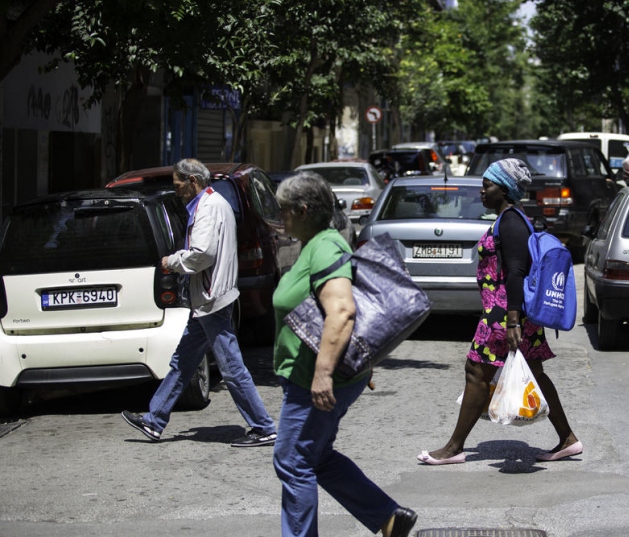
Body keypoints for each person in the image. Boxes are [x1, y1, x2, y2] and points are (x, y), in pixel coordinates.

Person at [272, 172, 417, 537]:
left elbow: (342, 311)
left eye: (284, 211)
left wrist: (323, 373)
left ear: (303, 210)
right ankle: (387, 517)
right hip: (324, 374)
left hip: (313, 379)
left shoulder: (324, 246)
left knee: (292, 462)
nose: (281, 218)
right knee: (315, 457)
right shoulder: (318, 243)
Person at [417, 158, 582, 465]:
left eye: (487, 186)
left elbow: (516, 271)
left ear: (504, 189)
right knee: (534, 373)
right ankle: (568, 439)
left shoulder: (510, 221)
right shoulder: (510, 219)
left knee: (476, 372)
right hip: (510, 313)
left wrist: (513, 321)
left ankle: (454, 448)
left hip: (504, 314)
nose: (482, 191)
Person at [121, 159, 277, 447]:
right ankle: (155, 420)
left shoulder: (209, 207)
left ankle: (264, 427)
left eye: (178, 183)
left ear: (193, 180)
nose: (176, 189)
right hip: (207, 299)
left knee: (232, 368)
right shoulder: (211, 204)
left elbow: (202, 253)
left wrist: (173, 261)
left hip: (211, 299)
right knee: (182, 362)